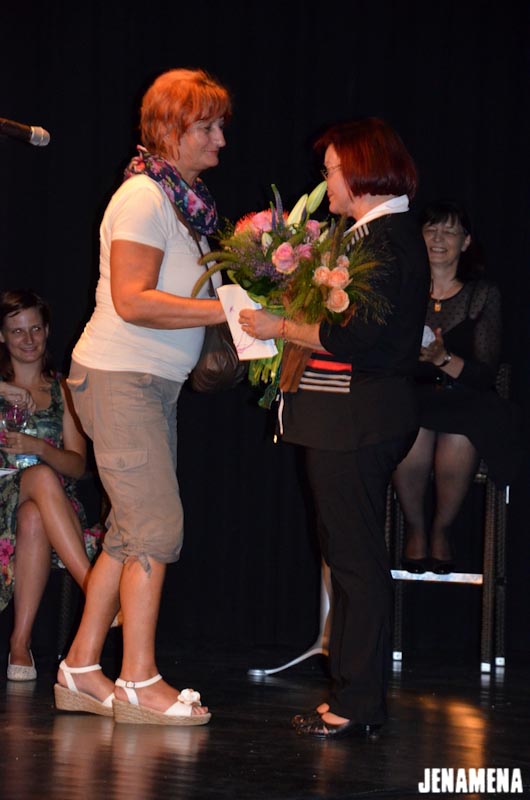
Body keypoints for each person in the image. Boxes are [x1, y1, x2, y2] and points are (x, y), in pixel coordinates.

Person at [239, 118, 430, 738]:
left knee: (355, 563)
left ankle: (358, 702)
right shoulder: (375, 235)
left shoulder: (386, 240)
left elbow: (360, 339)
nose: (326, 183)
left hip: (358, 420)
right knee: (348, 559)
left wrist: (279, 327)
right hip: (350, 419)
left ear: (360, 170)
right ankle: (352, 695)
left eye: (331, 171)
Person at [54, 68, 230, 725]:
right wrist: (229, 312)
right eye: (207, 127)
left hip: (146, 383)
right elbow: (132, 301)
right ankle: (138, 680)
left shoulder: (184, 202)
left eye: (220, 126)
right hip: (120, 378)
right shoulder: (143, 198)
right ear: (170, 129)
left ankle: (80, 669)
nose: (220, 140)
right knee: (156, 528)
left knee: (131, 533)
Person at [392, 200, 515, 574]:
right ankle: (415, 527)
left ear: (466, 242)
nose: (438, 238)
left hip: (466, 397)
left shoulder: (483, 294)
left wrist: (443, 358)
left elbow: (485, 373)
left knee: (461, 434)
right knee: (409, 430)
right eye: (431, 229)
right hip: (413, 394)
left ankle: (442, 529)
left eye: (449, 231)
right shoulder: (401, 289)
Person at [0, 289, 99, 681]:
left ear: (47, 331)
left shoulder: (63, 390)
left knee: (34, 514)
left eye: (35, 329)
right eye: (17, 331)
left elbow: (78, 466)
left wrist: (39, 448)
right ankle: (96, 590)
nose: (28, 339)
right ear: (2, 337)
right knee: (38, 481)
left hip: (53, 505)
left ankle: (19, 644)